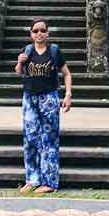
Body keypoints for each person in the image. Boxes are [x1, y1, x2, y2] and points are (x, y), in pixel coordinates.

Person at [14, 17, 72, 193]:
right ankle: (32, 179)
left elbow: (67, 74)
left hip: (49, 98)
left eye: (42, 30)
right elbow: (18, 72)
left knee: (49, 139)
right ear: (31, 34)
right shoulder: (27, 50)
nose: (39, 33)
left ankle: (49, 182)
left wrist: (68, 95)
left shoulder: (54, 51)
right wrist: (19, 61)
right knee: (30, 138)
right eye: (35, 31)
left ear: (47, 33)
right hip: (29, 98)